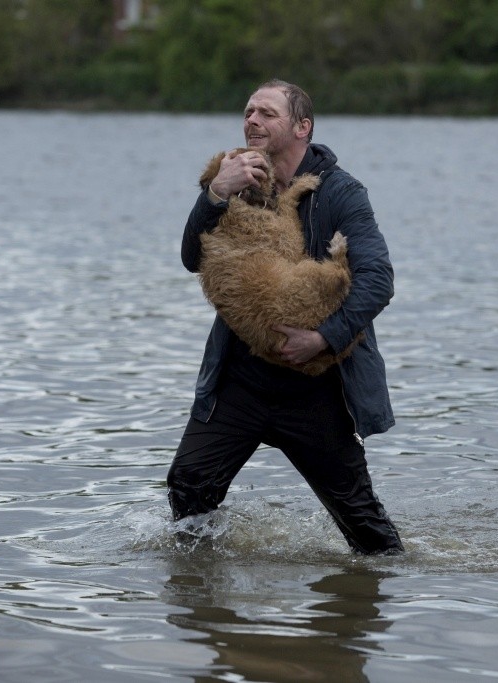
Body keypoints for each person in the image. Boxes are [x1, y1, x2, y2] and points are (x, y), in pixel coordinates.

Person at [167, 79, 402, 555]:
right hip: (241, 379)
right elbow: (194, 258)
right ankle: (203, 594)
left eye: (266, 113)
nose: (251, 120)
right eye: (248, 111)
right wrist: (214, 194)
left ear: (302, 127)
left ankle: (373, 606)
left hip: (315, 386)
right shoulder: (234, 178)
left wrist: (323, 338)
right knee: (188, 487)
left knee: (368, 534)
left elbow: (378, 279)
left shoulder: (342, 193)